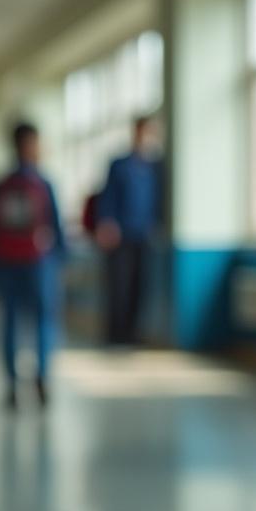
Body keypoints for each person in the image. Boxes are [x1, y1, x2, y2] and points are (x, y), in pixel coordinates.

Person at [0, 123, 66, 408]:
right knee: (42, 322)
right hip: (38, 264)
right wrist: (59, 261)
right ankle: (41, 376)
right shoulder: (43, 183)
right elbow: (56, 228)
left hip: (5, 265)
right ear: (29, 145)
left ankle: (12, 384)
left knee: (10, 323)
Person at [95, 116, 163, 345]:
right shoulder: (120, 164)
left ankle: (133, 332)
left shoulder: (154, 166)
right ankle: (115, 333)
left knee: (139, 286)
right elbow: (107, 197)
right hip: (120, 235)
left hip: (143, 234)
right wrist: (106, 223)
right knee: (119, 286)